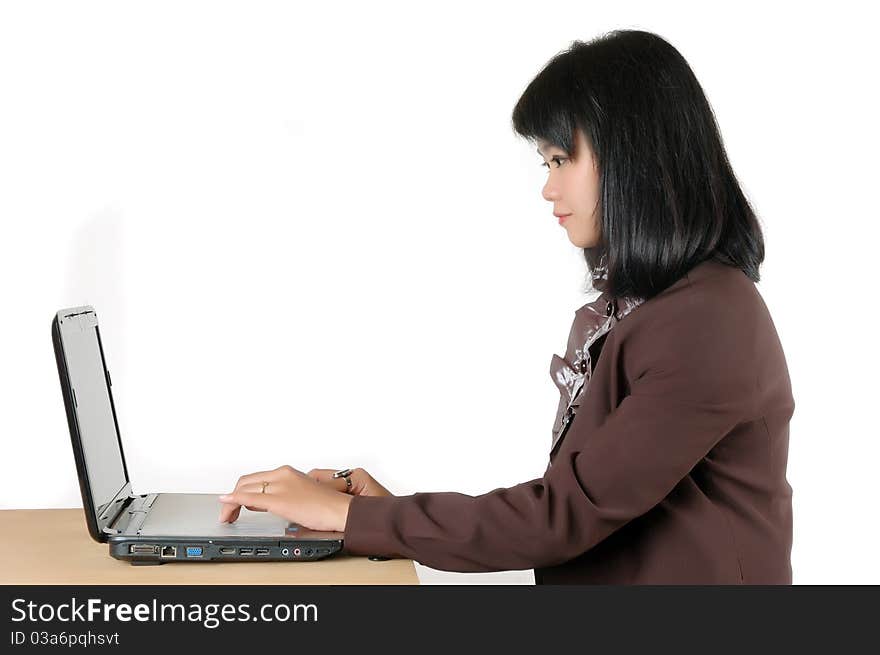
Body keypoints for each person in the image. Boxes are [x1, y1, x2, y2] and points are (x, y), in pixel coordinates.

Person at [217, 29, 795, 584]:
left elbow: (563, 515)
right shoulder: (656, 306)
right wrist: (382, 518)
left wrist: (354, 519)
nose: (548, 188)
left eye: (561, 159)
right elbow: (575, 512)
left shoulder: (706, 321)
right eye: (546, 164)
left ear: (632, 157)